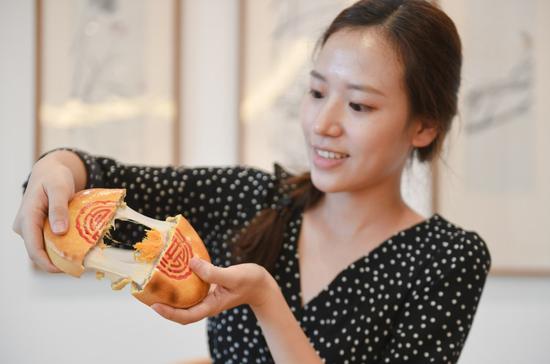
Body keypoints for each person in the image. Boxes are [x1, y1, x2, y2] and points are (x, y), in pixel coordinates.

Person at [13, 0, 491, 363]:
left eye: (359, 105)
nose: (322, 123)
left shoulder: (448, 259)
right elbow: (100, 175)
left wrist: (267, 301)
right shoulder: (248, 199)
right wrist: (55, 167)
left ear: (424, 126)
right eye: (317, 91)